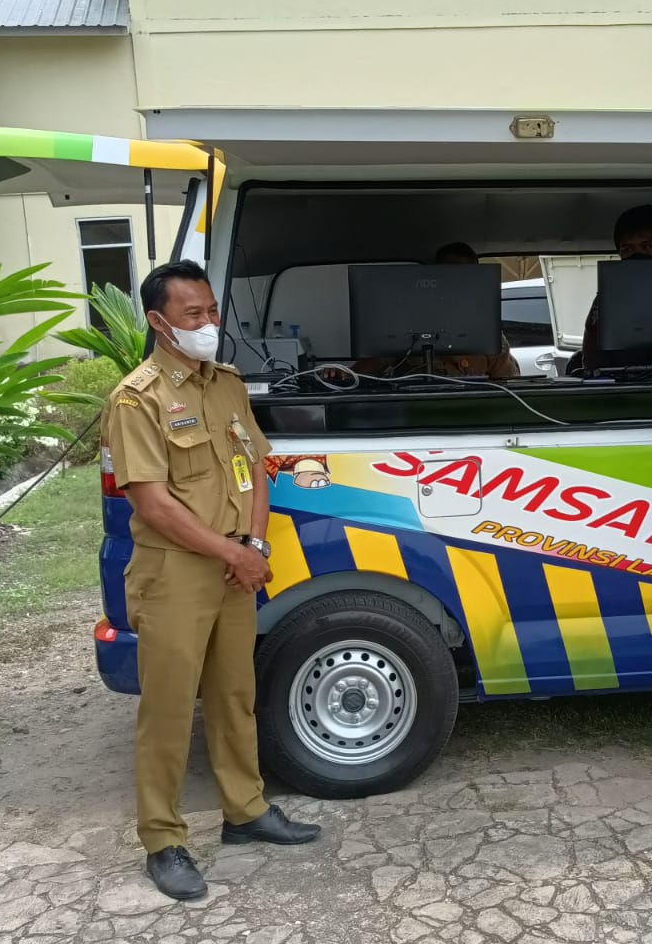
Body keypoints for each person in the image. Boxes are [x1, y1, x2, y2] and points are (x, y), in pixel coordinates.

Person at [102, 259, 321, 901]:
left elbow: (254, 466)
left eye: (211, 311)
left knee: (234, 693)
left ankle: (245, 811)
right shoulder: (136, 398)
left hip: (233, 566)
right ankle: (163, 839)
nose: (208, 325)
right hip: (175, 573)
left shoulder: (225, 384)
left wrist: (251, 545)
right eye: (193, 315)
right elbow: (153, 503)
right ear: (158, 321)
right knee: (169, 709)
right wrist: (234, 555)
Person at [355, 242, 520, 378]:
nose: (457, 284)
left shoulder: (488, 335)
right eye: (450, 276)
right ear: (434, 278)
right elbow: (368, 367)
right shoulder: (405, 326)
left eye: (465, 277)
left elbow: (510, 386)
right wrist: (343, 375)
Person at [575, 204, 652, 373]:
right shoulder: (608, 296)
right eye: (628, 249)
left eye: (647, 246)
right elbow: (591, 359)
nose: (637, 255)